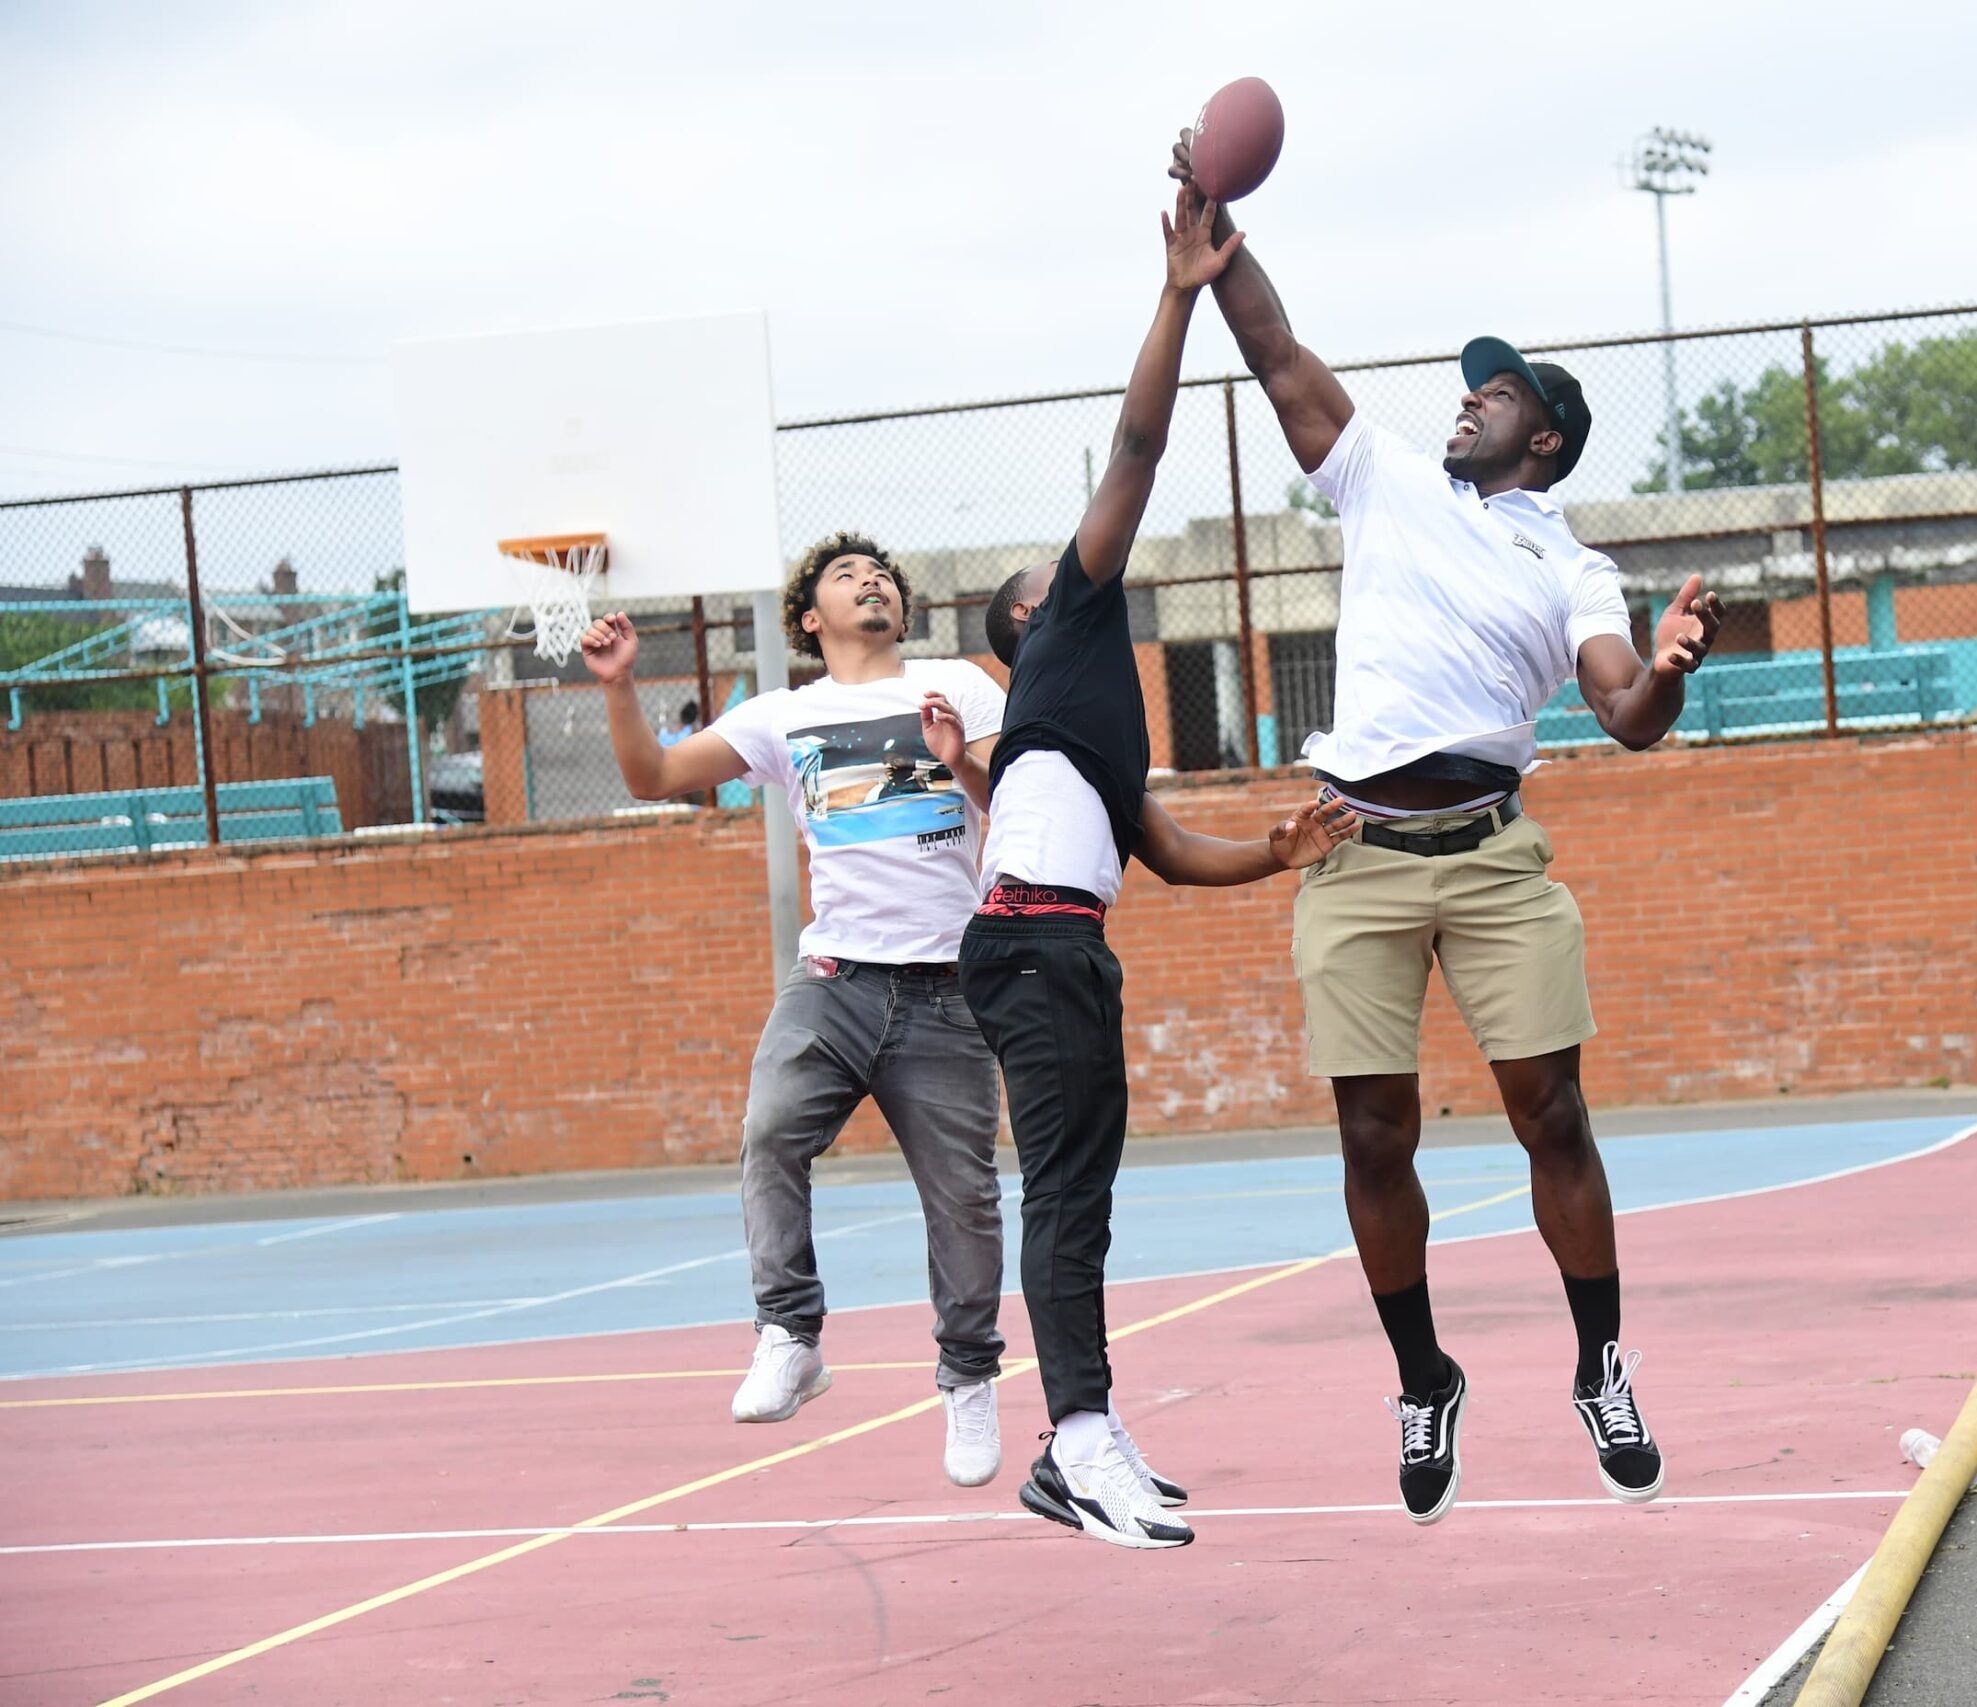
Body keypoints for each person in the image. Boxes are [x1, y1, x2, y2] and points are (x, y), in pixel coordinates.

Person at [1171, 134, 1726, 1523]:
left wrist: (1663, 669)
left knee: (1553, 1113)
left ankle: (1601, 1360)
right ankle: (1425, 1375)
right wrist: (1218, 236)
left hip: (1491, 856)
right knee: (1372, 1134)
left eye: (1493, 396)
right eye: (1470, 389)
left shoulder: (1571, 560)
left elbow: (1619, 711)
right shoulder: (1387, 483)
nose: (1465, 404)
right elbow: (1282, 354)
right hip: (1353, 853)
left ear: (1540, 436)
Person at [961, 189, 1358, 1551]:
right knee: (1067, 1196)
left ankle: (1086, 1433)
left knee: (1086, 1198)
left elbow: (1169, 852)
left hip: (1063, 943)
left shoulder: (1082, 716)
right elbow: (1139, 439)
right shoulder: (1067, 628)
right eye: (1047, 566)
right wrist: (1182, 289)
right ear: (1030, 610)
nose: (1073, 556)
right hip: (1030, 941)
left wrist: (1274, 848)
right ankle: (1076, 1441)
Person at [580, 535, 1010, 1488]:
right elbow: (653, 777)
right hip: (835, 981)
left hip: (948, 986)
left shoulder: (961, 687)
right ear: (810, 619)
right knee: (770, 1129)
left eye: (884, 575)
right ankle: (789, 1333)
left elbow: (1015, 803)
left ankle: (970, 1377)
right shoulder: (783, 715)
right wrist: (618, 685)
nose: (873, 582)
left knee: (964, 1198)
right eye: (847, 576)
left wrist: (957, 760)